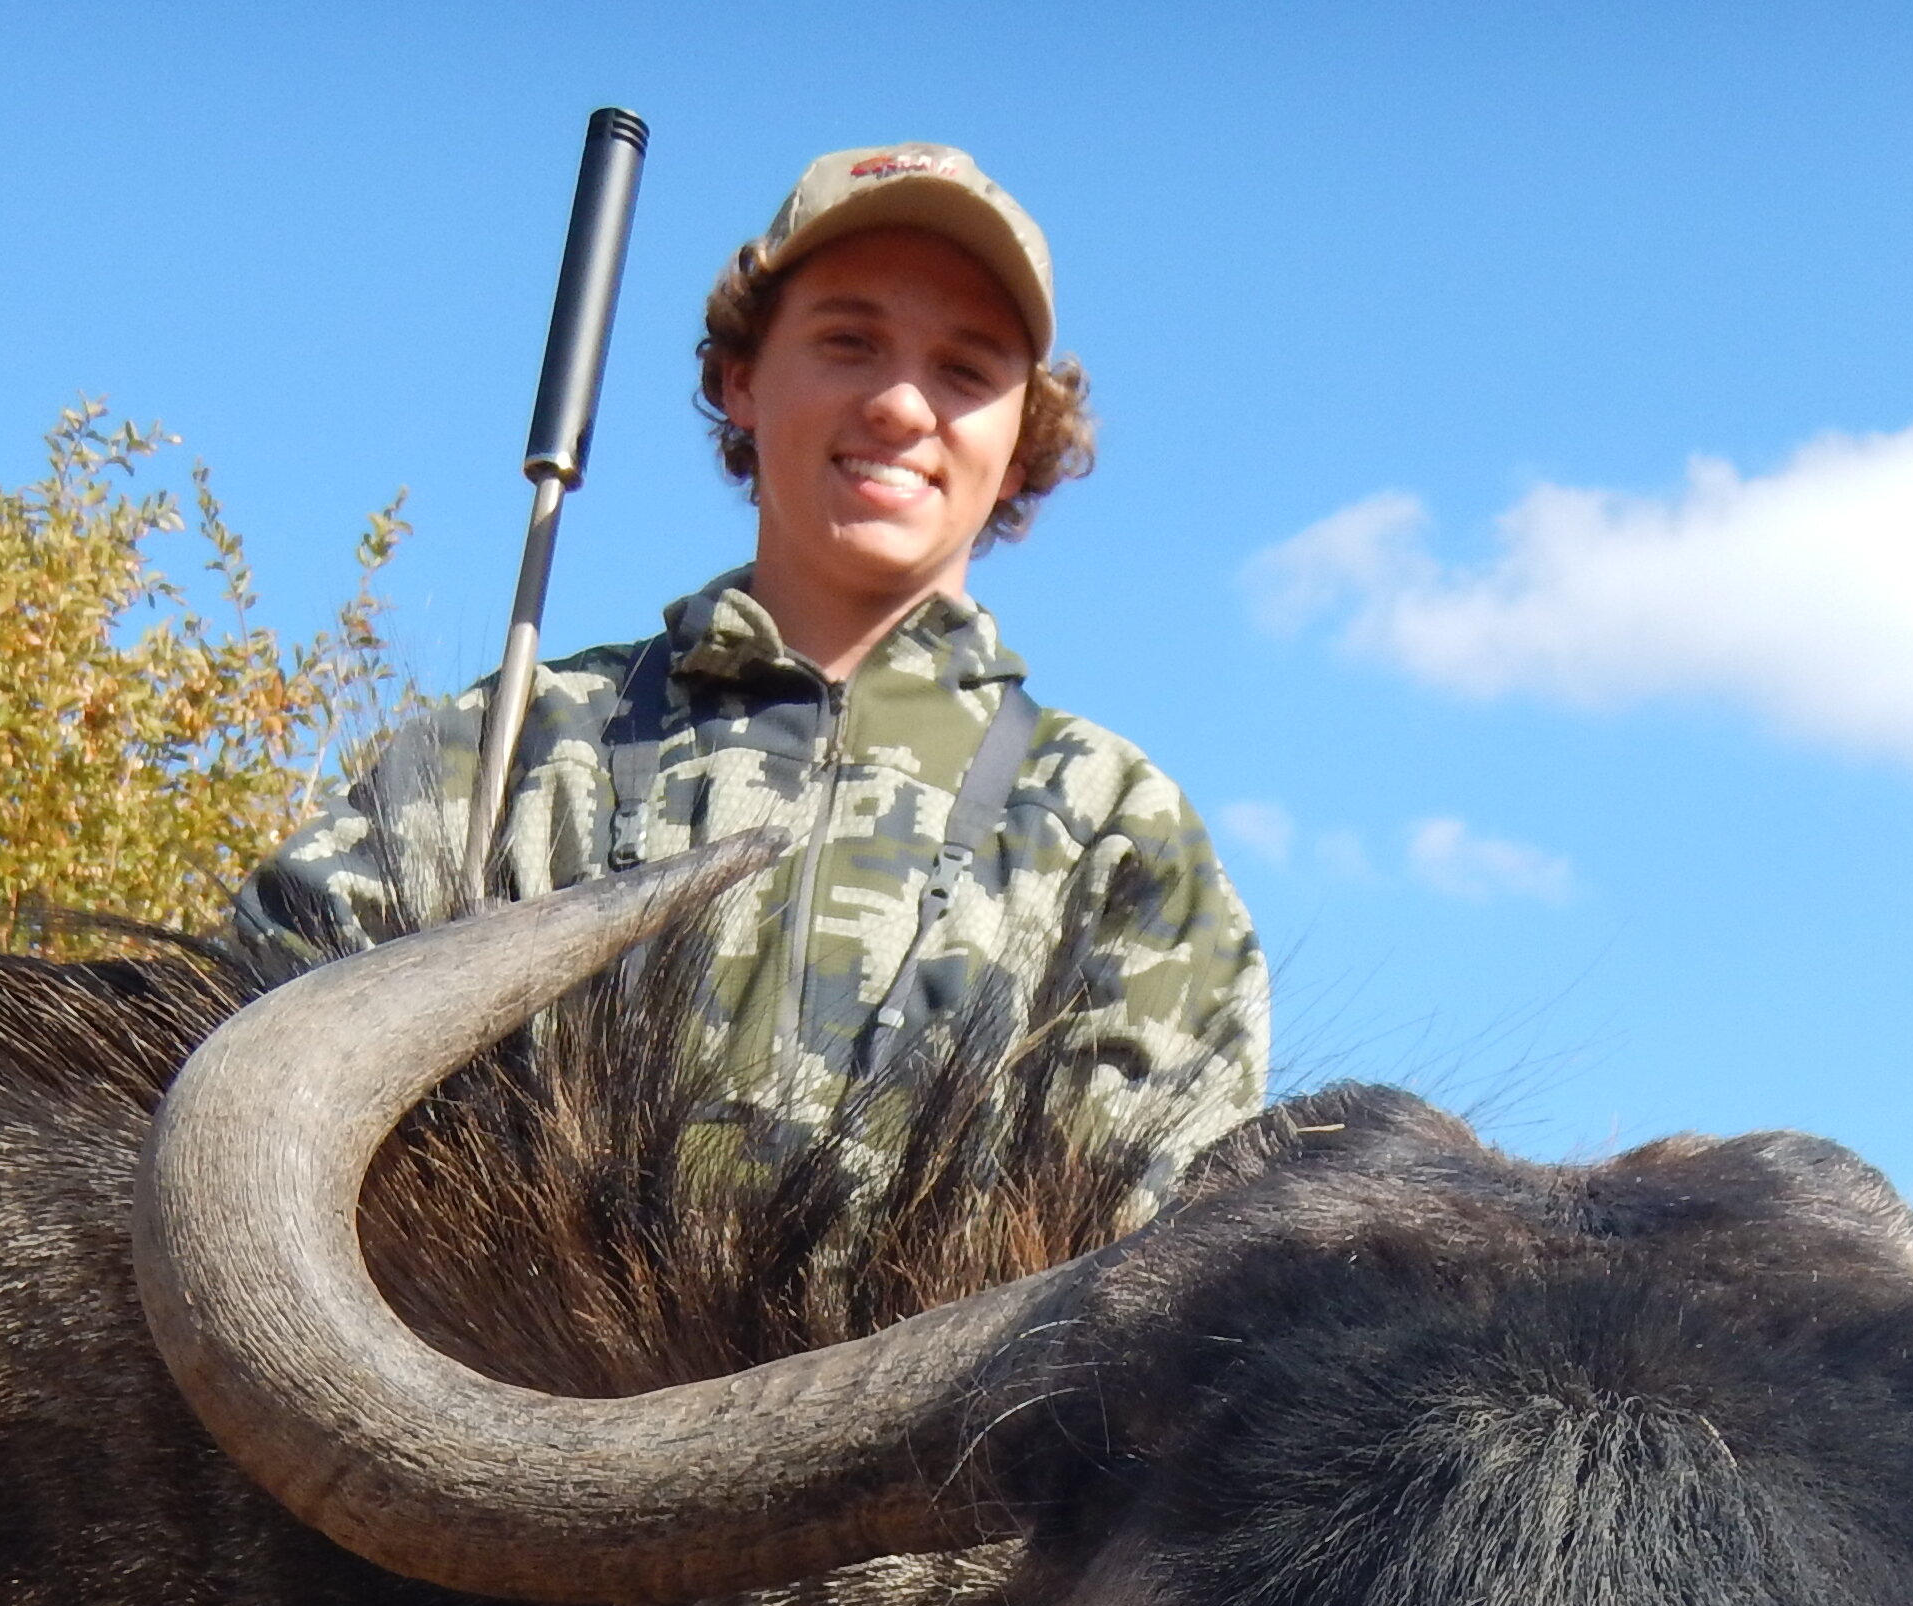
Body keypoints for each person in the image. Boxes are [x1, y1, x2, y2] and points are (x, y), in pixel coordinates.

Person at [234, 141, 1266, 1208]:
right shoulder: (511, 752)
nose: (903, 407)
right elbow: (252, 1083)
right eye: (849, 342)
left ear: (1017, 446)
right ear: (742, 383)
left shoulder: (1117, 829)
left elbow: (1164, 1267)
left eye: (964, 369)